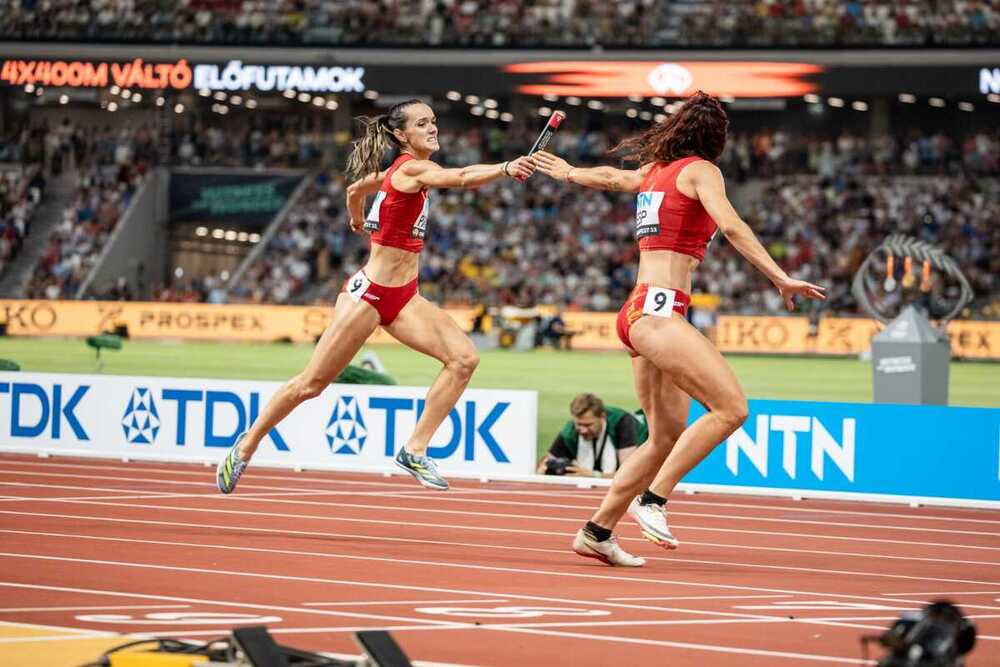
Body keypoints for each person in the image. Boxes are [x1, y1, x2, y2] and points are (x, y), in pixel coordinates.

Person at [532, 92, 825, 567]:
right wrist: (780, 276)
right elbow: (731, 226)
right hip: (661, 313)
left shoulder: (655, 174)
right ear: (717, 139)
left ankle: (597, 531)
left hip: (636, 312)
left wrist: (567, 172)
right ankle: (655, 500)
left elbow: (611, 178)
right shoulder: (701, 171)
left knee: (664, 435)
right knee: (731, 408)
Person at [216, 99, 534, 494]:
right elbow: (464, 175)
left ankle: (415, 449)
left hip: (404, 297)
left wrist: (355, 216)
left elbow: (355, 187)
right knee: (311, 385)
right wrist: (505, 167)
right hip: (368, 296)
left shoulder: (394, 173)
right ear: (402, 135)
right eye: (423, 124)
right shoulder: (414, 169)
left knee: (464, 359)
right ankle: (245, 446)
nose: (433, 128)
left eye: (434, 121)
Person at [536, 393, 645, 479]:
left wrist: (594, 475)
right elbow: (545, 463)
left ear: (602, 417)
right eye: (579, 424)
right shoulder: (570, 431)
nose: (583, 430)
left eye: (588, 425)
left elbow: (629, 475)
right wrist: (545, 469)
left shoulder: (622, 423)